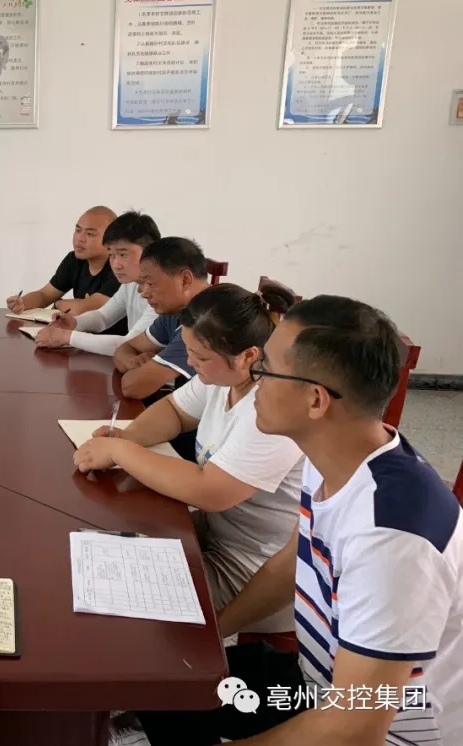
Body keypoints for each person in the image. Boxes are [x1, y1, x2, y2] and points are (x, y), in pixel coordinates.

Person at [133, 296, 463, 746]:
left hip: (385, 732)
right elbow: (287, 565)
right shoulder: (336, 457)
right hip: (316, 683)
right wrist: (214, 631)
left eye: (267, 370)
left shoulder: (391, 537)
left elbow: (355, 728)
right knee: (162, 683)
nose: (255, 379)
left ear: (315, 399)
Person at [73, 284, 303, 633]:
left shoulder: (271, 408)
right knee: (105, 548)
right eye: (189, 350)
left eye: (201, 356)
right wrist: (127, 437)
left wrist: (122, 451)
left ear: (248, 356)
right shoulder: (223, 378)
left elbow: (211, 490)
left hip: (254, 565)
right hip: (215, 531)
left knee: (128, 613)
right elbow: (175, 411)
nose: (191, 362)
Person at [35, 210, 160, 353]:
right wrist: (75, 323)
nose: (116, 265)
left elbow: (130, 344)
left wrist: (67, 337)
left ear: (149, 251)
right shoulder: (131, 283)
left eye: (123, 254)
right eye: (111, 255)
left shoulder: (162, 292)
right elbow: (103, 316)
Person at [112, 237, 211, 400]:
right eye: (142, 284)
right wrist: (132, 362)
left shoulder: (207, 320)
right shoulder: (177, 311)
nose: (144, 293)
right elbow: (126, 347)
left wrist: (139, 372)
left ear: (185, 280)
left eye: (151, 284)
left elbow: (132, 387)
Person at [5, 206, 121, 319]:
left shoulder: (119, 266)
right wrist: (23, 303)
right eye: (78, 230)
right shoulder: (74, 260)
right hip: (81, 330)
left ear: (111, 238)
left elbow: (86, 308)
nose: (80, 238)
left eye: (90, 234)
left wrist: (58, 303)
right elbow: (45, 295)